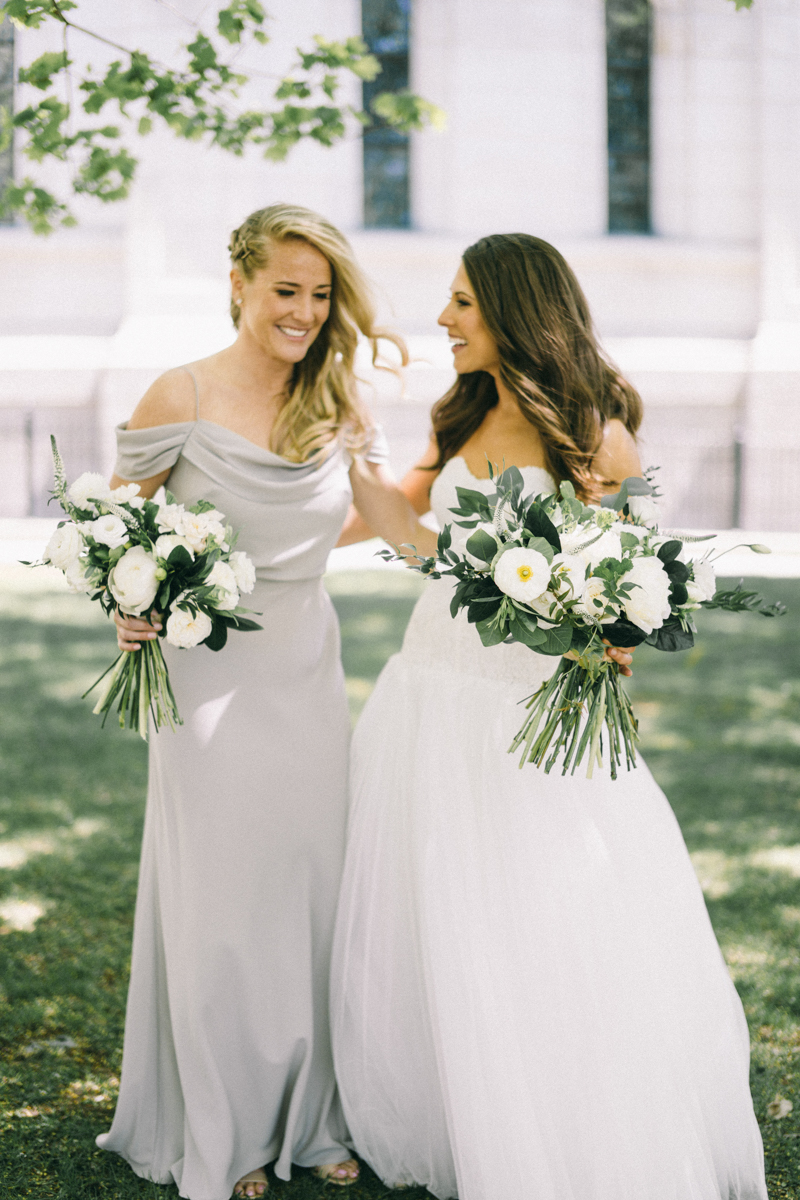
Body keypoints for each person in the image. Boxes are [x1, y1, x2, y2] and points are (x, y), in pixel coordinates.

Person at [330, 233, 768, 1200]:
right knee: (433, 901)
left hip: (525, 706)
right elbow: (408, 537)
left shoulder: (597, 428)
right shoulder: (462, 415)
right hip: (429, 687)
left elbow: (642, 559)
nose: (442, 320)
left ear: (516, 310)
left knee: (544, 902)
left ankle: (558, 1112)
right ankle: (450, 1098)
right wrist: (339, 467)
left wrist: (620, 627)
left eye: (461, 304)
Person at [96, 203, 437, 1200]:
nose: (302, 310)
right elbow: (119, 520)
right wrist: (129, 602)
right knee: (225, 903)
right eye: (284, 289)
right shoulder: (182, 390)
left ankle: (316, 1116)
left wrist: (477, 577)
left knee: (312, 892)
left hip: (303, 659)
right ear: (239, 283)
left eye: (320, 294)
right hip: (208, 672)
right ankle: (231, 1129)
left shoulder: (334, 396)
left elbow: (370, 515)